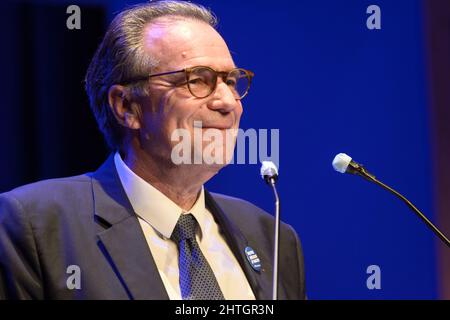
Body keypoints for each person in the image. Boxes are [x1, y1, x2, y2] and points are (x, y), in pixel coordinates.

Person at [0, 1, 305, 300]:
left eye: (231, 81)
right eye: (198, 80)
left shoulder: (273, 237)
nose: (227, 102)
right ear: (126, 106)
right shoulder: (36, 226)